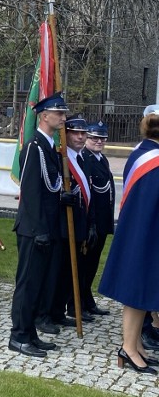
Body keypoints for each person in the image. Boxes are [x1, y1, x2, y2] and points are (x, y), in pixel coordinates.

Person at [8, 92, 75, 358]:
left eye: (63, 113)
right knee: (27, 284)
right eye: (58, 113)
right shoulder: (34, 146)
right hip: (34, 229)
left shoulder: (47, 146)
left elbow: (49, 188)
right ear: (44, 116)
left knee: (38, 284)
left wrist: (61, 198)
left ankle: (30, 332)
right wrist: (39, 230)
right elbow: (32, 192)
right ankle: (19, 335)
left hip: (45, 226)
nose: (63, 117)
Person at [98, 105, 159, 374]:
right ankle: (129, 348)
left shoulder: (142, 152)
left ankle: (136, 346)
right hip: (146, 233)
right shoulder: (153, 159)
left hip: (143, 230)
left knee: (140, 292)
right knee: (136, 291)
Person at [40, 114, 91, 334]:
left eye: (83, 133)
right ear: (65, 134)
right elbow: (49, 190)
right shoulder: (60, 158)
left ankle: (59, 311)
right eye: (75, 133)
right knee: (54, 273)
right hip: (61, 225)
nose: (80, 137)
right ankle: (46, 313)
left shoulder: (84, 159)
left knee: (68, 275)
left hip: (79, 223)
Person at [80, 121, 114, 317]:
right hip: (91, 221)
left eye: (102, 138)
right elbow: (88, 194)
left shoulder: (102, 159)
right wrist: (90, 223)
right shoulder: (85, 159)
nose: (99, 141)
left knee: (93, 263)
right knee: (84, 263)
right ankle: (77, 303)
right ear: (87, 138)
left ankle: (88, 299)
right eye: (94, 137)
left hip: (102, 220)